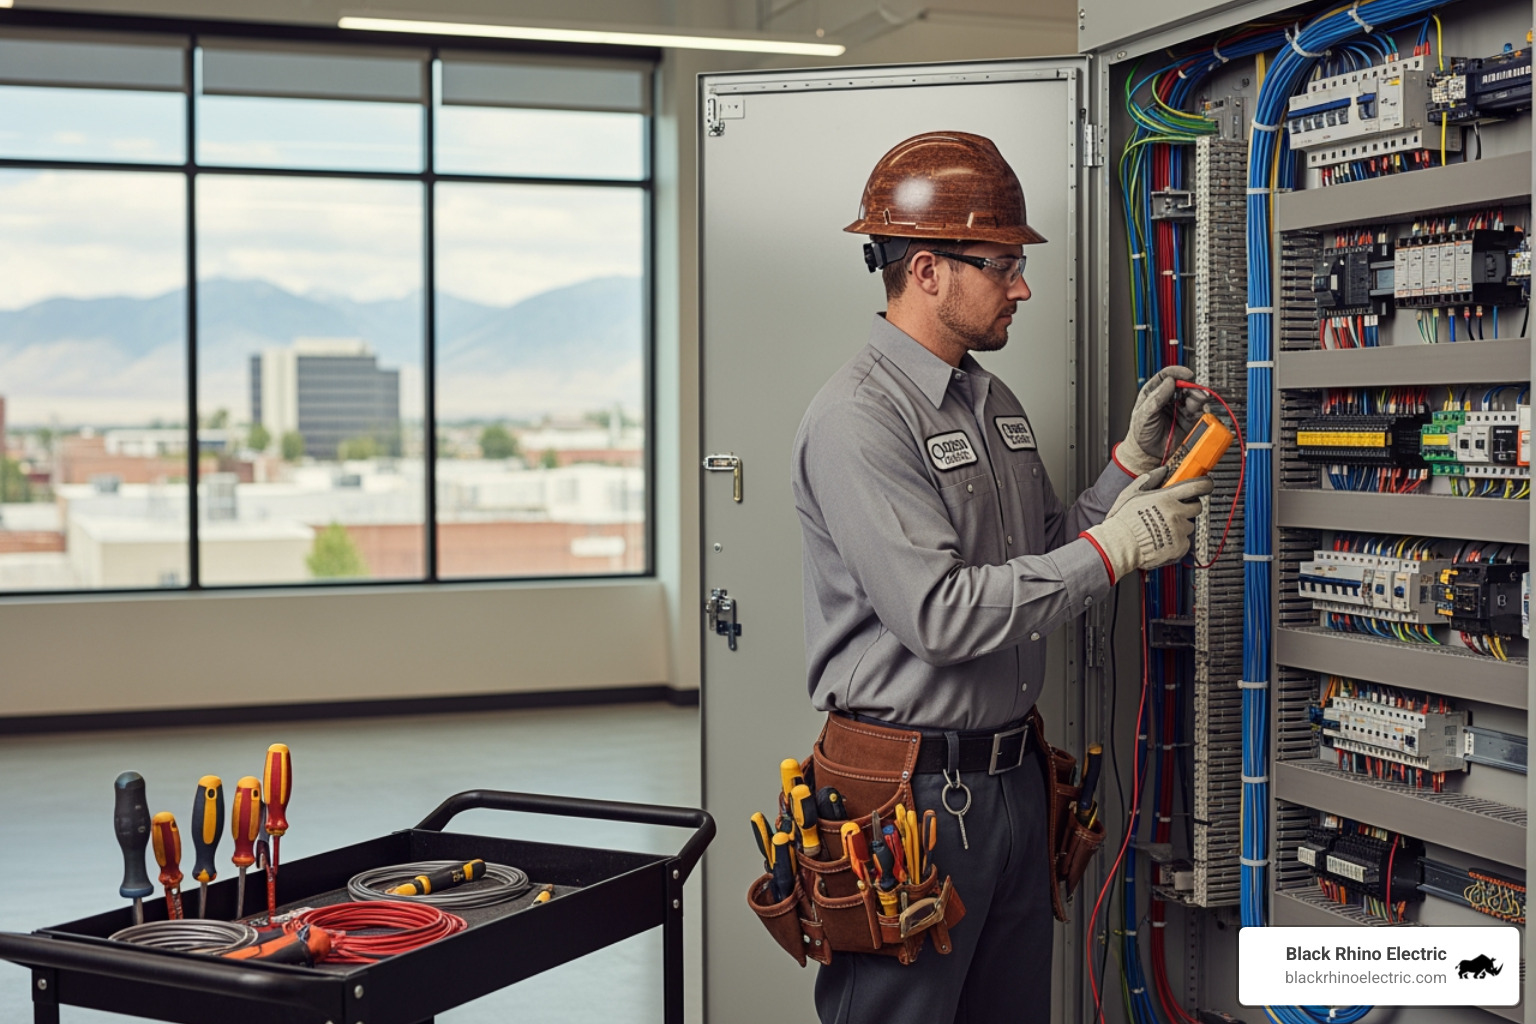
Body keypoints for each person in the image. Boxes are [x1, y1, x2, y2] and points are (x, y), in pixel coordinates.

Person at [790, 130, 1212, 1024]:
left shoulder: (993, 401)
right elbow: (938, 614)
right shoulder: (859, 419)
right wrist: (1113, 551)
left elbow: (1042, 548)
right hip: (906, 797)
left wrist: (1127, 474)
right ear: (928, 270)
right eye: (1002, 262)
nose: (1021, 284)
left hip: (1015, 782)